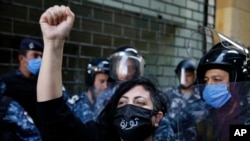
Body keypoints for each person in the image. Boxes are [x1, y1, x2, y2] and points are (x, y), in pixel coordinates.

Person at [37, 5, 171, 141]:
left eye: (140, 103)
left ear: (157, 117)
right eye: (122, 103)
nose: (129, 108)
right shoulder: (101, 134)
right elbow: (55, 118)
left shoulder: (163, 128)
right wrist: (54, 44)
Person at [195, 34, 250, 140]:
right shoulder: (206, 117)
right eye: (206, 80)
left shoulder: (246, 117)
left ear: (237, 83)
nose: (209, 85)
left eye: (217, 80)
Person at [156, 59, 208, 141]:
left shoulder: (203, 96)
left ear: (195, 76)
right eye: (183, 75)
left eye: (189, 75)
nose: (185, 78)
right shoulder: (168, 95)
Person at [0, 38, 43, 131]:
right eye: (35, 55)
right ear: (21, 58)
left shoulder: (42, 84)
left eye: (41, 56)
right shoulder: (6, 82)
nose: (40, 60)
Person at [67, 57, 111, 123]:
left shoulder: (110, 108)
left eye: (108, 82)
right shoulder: (74, 106)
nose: (105, 86)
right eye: (102, 81)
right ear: (90, 81)